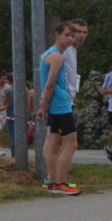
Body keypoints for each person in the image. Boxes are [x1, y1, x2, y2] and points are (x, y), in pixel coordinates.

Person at [36, 22, 82, 195]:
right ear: (57, 34)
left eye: (72, 36)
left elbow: (47, 85)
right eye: (67, 35)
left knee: (53, 142)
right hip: (61, 105)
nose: (70, 39)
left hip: (55, 104)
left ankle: (53, 182)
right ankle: (60, 182)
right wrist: (45, 104)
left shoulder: (48, 54)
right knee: (71, 143)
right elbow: (49, 85)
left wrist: (43, 104)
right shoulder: (56, 56)